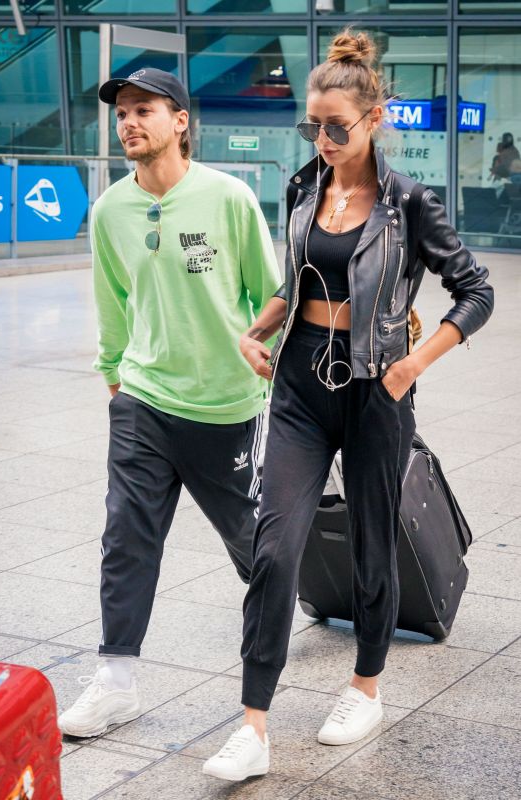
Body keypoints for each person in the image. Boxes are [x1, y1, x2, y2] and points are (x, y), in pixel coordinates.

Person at [203, 29, 494, 782]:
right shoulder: (303, 186)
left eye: (338, 125)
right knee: (273, 546)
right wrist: (257, 328)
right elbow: (294, 280)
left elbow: (476, 290)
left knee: (371, 544)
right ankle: (252, 725)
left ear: (374, 118)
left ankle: (364, 687)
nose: (324, 139)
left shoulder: (408, 203)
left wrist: (410, 366)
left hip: (375, 391)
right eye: (314, 125)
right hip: (300, 382)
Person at [57, 68, 281, 738]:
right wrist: (114, 372)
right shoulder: (110, 210)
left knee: (253, 543)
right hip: (144, 399)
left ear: (179, 121)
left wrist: (262, 365)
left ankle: (313, 602)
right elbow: (112, 297)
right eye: (121, 113)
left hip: (224, 405)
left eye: (143, 110)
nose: (128, 122)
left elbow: (268, 293)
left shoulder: (228, 199)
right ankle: (115, 680)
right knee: (126, 535)